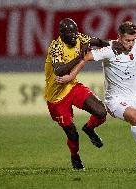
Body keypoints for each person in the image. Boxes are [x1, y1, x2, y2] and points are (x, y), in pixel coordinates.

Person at [55, 21, 136, 156]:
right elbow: (86, 57)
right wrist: (70, 76)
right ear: (119, 37)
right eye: (127, 40)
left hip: (135, 98)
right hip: (115, 100)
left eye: (133, 40)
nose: (131, 43)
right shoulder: (109, 49)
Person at [44, 18, 110, 170]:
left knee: (101, 112)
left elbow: (98, 41)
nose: (74, 36)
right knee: (72, 133)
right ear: (62, 34)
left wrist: (115, 45)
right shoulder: (56, 47)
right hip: (56, 99)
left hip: (72, 87)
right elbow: (59, 71)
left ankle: (89, 128)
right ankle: (75, 156)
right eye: (70, 33)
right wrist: (80, 57)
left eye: (75, 31)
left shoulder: (80, 37)